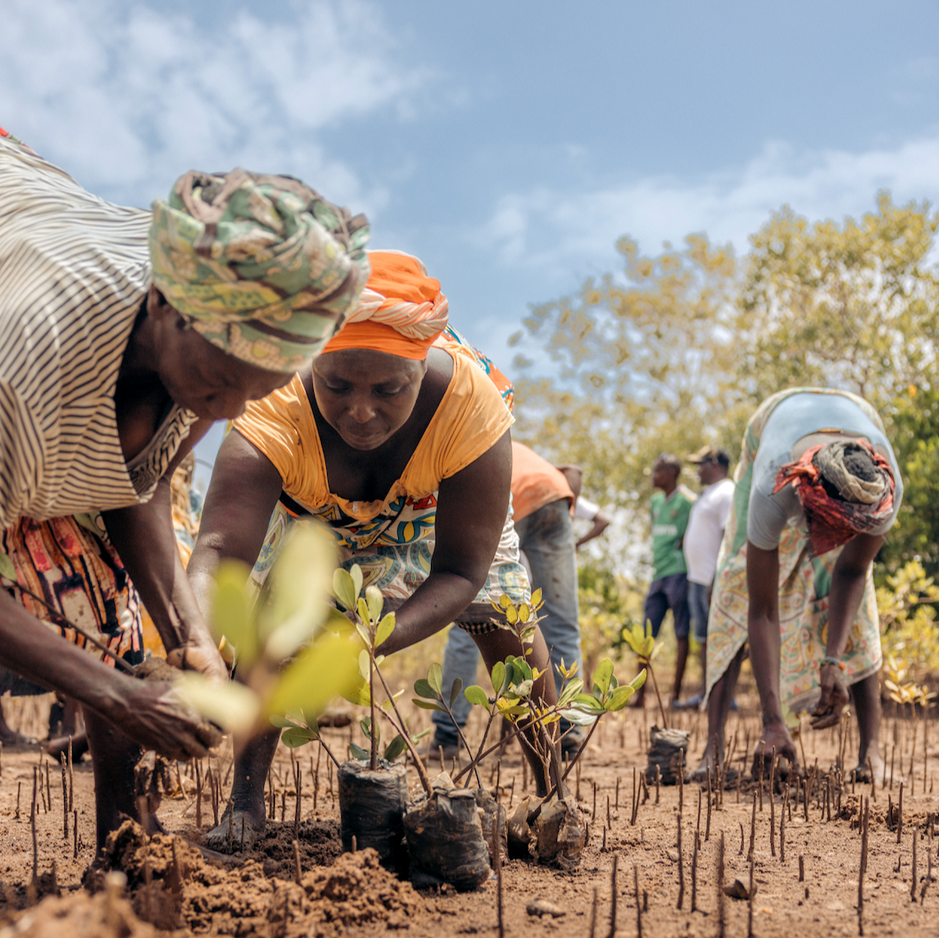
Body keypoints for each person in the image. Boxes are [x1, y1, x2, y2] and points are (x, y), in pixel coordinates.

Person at [0, 118, 370, 847]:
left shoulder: (218, 328)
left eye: (257, 390)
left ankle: (122, 842)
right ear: (164, 306)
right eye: (216, 382)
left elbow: (133, 484)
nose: (226, 412)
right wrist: (114, 695)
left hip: (27, 221)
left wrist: (187, 635)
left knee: (122, 626)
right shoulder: (22, 367)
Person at [188, 250, 565, 846]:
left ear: (422, 363)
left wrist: (378, 635)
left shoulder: (471, 404)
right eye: (336, 385)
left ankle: (552, 797)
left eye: (389, 389)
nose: (361, 412)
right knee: (271, 625)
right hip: (315, 517)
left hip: (433, 508)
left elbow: (463, 571)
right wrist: (195, 644)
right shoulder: (274, 406)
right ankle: (245, 803)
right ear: (312, 361)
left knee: (507, 615)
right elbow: (217, 552)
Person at [695, 388, 902, 783]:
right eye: (835, 529)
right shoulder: (771, 489)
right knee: (734, 585)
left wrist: (833, 661)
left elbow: (851, 573)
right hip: (772, 420)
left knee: (860, 600)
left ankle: (871, 751)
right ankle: (712, 747)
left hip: (855, 411)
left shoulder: (884, 492)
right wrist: (773, 720)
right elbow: (762, 610)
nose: (840, 541)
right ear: (810, 500)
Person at [430, 444, 609, 758]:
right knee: (562, 623)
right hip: (553, 499)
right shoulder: (537, 463)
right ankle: (568, 732)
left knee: (468, 621)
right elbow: (574, 476)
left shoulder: (470, 441)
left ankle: (447, 735)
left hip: (500, 498)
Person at [674, 446, 734, 708]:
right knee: (704, 639)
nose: (697, 470)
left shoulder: (726, 492)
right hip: (697, 580)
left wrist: (717, 578)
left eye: (701, 464)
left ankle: (723, 697)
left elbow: (729, 537)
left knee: (718, 639)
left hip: (712, 581)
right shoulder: (708, 494)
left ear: (715, 464)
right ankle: (707, 693)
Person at [642, 455, 694, 701]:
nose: (654, 476)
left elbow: (690, 535)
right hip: (658, 574)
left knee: (681, 632)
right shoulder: (654, 502)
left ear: (672, 473)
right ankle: (639, 695)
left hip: (678, 573)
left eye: (658, 471)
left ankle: (675, 695)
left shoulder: (686, 502)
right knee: (646, 633)